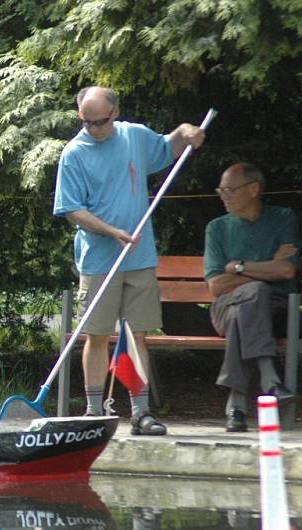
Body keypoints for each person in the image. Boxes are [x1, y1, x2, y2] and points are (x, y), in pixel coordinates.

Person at [53, 86, 205, 435]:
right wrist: (111, 231)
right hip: (99, 261)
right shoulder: (73, 154)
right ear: (80, 117)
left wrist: (186, 132)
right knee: (97, 334)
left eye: (102, 121)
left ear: (115, 111)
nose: (96, 129)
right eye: (88, 122)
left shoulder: (134, 136)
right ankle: (93, 415)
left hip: (140, 258)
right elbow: (71, 209)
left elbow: (171, 145)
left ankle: (141, 413)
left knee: (138, 334)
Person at [203, 162, 300, 432]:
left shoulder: (282, 219)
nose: (224, 195)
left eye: (230, 189)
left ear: (254, 189)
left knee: (244, 310)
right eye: (220, 190)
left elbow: (287, 269)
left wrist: (238, 266)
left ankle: (236, 405)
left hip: (276, 309)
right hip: (224, 306)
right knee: (253, 294)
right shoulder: (217, 228)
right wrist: (266, 269)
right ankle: (270, 381)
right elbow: (215, 286)